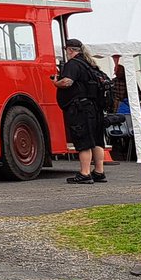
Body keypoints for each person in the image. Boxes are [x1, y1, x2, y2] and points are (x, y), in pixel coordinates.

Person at [53, 38, 107, 184]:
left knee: (83, 140)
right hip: (95, 107)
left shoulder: (73, 64)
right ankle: (99, 172)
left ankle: (85, 173)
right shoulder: (91, 64)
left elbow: (67, 82)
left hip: (80, 108)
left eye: (66, 50)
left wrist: (55, 82)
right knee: (97, 140)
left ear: (70, 50)